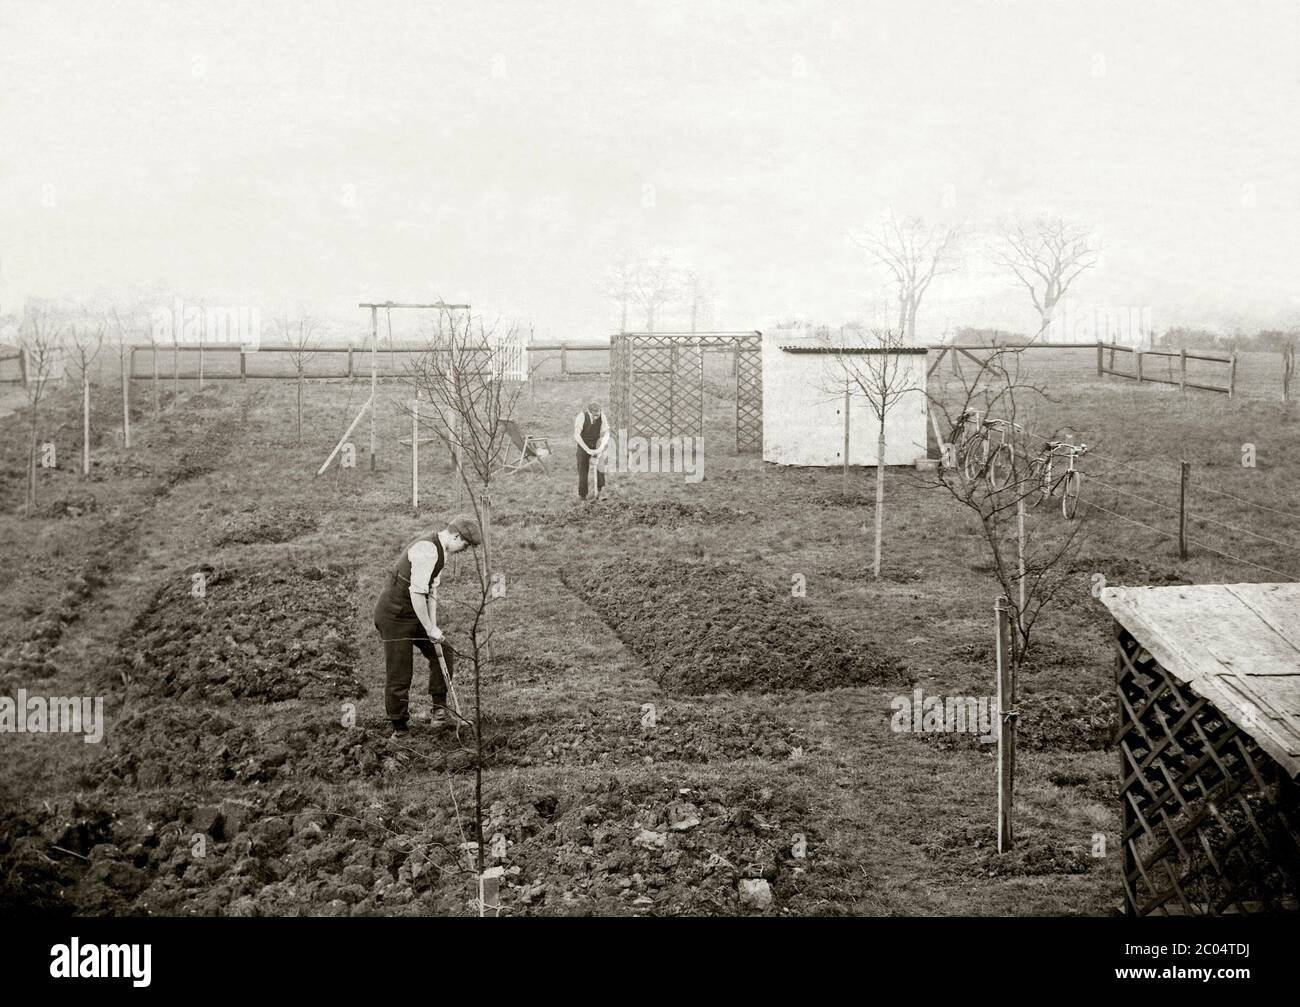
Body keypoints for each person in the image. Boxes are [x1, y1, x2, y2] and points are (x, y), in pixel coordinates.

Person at [373, 513, 482, 737]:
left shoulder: (442, 552)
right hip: (393, 615)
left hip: (414, 612)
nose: (465, 549)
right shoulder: (427, 550)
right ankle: (400, 729)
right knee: (400, 671)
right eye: (465, 544)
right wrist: (429, 628)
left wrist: (433, 628)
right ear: (455, 535)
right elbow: (416, 593)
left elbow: (431, 592)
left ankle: (439, 713)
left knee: (443, 650)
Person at [574, 399, 609, 500]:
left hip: (596, 443)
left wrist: (601, 448)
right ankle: (582, 495)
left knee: (600, 467)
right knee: (582, 469)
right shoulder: (581, 416)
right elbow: (576, 435)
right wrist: (587, 450)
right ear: (589, 412)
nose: (597, 417)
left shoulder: (602, 416)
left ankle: (601, 491)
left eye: (598, 415)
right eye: (594, 415)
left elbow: (606, 433)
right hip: (583, 443)